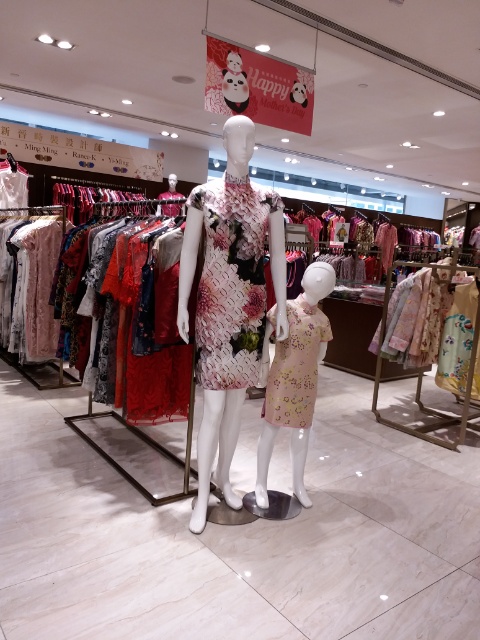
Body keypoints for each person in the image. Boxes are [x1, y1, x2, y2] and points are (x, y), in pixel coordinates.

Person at [177, 115, 289, 534]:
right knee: (213, 407)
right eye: (238, 137)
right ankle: (202, 493)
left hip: (250, 313)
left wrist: (281, 309)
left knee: (236, 405)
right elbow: (189, 252)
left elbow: (278, 258)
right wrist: (182, 305)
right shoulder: (201, 195)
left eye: (251, 137)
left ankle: (224, 480)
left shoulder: (270, 200)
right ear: (223, 141)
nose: (246, 144)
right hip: (212, 310)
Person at [255, 262, 335, 510]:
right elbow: (264, 338)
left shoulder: (323, 320)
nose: (320, 281)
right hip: (281, 378)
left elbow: (321, 355)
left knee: (302, 431)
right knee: (271, 428)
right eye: (316, 276)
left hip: (307, 383)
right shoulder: (285, 308)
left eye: (325, 279)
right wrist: (263, 365)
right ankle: (260, 483)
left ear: (329, 290)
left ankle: (298, 483)